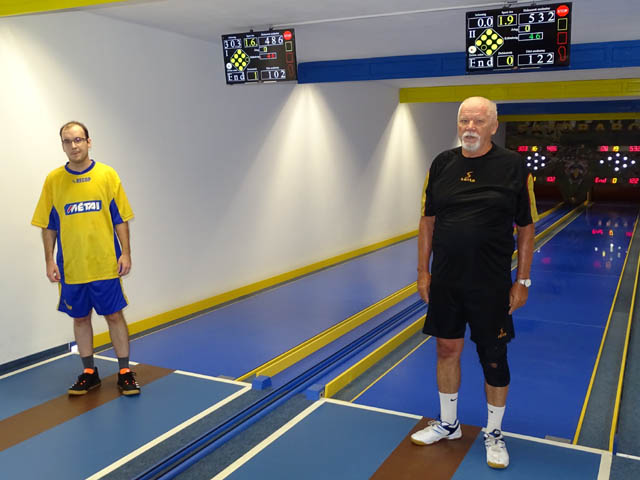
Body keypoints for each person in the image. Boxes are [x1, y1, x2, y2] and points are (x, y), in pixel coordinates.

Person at [410, 97, 536, 469]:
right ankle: (448, 424)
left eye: (478, 121)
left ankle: (494, 433)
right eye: (464, 120)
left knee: (493, 357)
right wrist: (423, 272)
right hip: (446, 281)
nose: (470, 127)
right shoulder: (441, 164)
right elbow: (427, 221)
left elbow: (526, 228)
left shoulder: (514, 167)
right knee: (446, 349)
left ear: (494, 126)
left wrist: (522, 279)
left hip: (491, 284)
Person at [32, 121, 140, 396]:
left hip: (105, 264)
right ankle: (89, 372)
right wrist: (49, 261)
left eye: (78, 139)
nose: (74, 145)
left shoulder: (107, 175)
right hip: (71, 267)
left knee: (114, 315)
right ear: (62, 146)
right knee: (80, 318)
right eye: (67, 141)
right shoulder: (54, 180)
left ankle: (125, 372)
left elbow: (120, 219)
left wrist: (126, 252)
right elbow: (49, 225)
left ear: (89, 142)